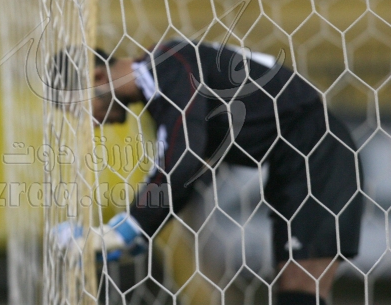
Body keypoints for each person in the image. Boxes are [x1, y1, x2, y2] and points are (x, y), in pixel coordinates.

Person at [54, 40, 363, 305]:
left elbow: (182, 159)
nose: (92, 124)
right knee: (294, 291)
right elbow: (185, 173)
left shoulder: (169, 67)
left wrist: (130, 226)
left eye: (81, 110)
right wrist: (139, 233)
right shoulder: (164, 77)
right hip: (293, 165)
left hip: (320, 154)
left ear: (96, 77)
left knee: (300, 290)